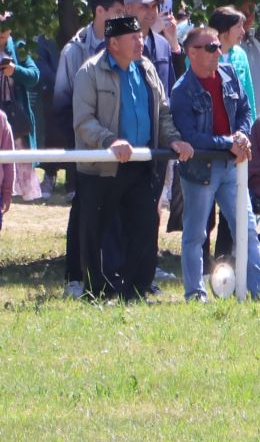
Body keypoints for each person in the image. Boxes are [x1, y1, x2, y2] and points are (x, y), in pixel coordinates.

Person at [69, 16, 194, 299]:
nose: (141, 42)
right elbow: (83, 121)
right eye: (133, 38)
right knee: (95, 234)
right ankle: (97, 293)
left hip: (141, 165)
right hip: (102, 169)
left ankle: (135, 291)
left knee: (144, 229)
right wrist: (110, 141)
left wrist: (173, 139)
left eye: (140, 36)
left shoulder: (147, 69)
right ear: (113, 43)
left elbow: (162, 113)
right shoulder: (89, 72)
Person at [168, 25, 260, 300]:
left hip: (231, 168)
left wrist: (242, 134)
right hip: (201, 170)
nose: (218, 52)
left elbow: (246, 110)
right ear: (191, 53)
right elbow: (192, 137)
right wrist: (230, 143)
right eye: (211, 48)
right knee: (196, 235)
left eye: (218, 47)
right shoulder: (182, 91)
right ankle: (195, 294)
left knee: (247, 230)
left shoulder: (229, 73)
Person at [52, 0, 123, 156]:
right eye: (118, 12)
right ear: (100, 11)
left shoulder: (127, 47)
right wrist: (86, 140)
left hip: (122, 147)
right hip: (84, 152)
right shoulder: (73, 51)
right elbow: (62, 107)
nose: (123, 18)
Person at [0, 12, 42, 204]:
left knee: (15, 177)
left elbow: (34, 76)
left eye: (5, 26)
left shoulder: (18, 47)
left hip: (14, 121)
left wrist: (15, 70)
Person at [208, 6, 258, 115]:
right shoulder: (203, 54)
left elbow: (249, 94)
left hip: (239, 127)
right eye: (238, 27)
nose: (243, 31)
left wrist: (253, 126)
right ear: (224, 30)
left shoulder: (241, 55)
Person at [229, 0, 260, 104]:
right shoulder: (226, 48)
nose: (249, 17)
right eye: (244, 13)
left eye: (252, 12)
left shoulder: (257, 45)